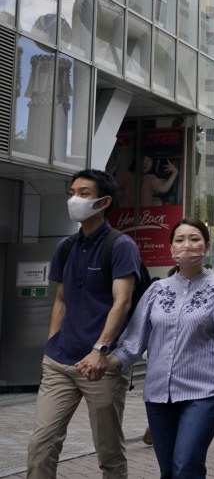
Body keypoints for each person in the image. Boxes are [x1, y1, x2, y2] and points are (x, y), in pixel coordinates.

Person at [110, 217, 214, 477]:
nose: (187, 245)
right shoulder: (157, 290)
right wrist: (103, 363)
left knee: (185, 464)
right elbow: (133, 342)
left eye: (194, 239)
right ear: (171, 249)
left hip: (205, 392)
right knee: (168, 470)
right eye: (180, 240)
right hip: (158, 395)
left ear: (206, 246)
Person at [27, 169, 142, 479]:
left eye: (83, 193)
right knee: (41, 444)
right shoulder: (65, 247)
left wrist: (100, 350)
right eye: (72, 192)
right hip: (60, 362)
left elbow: (123, 302)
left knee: (108, 452)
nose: (74, 199)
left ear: (103, 202)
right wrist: (51, 345)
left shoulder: (120, 246)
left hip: (100, 365)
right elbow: (61, 300)